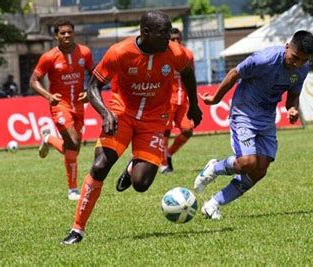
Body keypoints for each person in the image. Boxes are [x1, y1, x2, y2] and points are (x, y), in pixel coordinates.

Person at [61, 11, 203, 245]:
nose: (169, 38)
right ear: (145, 33)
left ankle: (131, 169)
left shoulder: (174, 52)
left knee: (141, 184)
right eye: (164, 33)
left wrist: (194, 106)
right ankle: (77, 229)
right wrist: (105, 113)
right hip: (121, 113)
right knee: (100, 166)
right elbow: (94, 86)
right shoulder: (119, 52)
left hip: (156, 119)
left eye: (170, 32)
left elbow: (188, 73)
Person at [194, 30, 313, 219]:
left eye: (302, 60)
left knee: (259, 170)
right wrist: (216, 98)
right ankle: (214, 168)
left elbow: (293, 96)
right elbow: (235, 73)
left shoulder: (302, 68)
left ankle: (214, 204)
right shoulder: (264, 60)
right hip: (244, 112)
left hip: (267, 117)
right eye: (294, 58)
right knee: (247, 162)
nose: (296, 64)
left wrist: (292, 109)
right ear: (287, 47)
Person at [30, 18, 94, 201]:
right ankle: (72, 190)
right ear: (56, 36)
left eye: (69, 32)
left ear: (74, 33)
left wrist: (89, 92)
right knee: (72, 142)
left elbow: (95, 74)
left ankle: (49, 139)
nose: (66, 35)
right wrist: (49, 96)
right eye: (62, 33)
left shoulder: (85, 52)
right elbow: (33, 81)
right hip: (60, 106)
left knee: (74, 148)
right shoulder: (49, 57)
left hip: (79, 105)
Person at [159, 28, 196, 173]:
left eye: (178, 39)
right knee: (165, 132)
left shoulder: (188, 54)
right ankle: (163, 165)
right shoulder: (163, 54)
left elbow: (191, 77)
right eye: (172, 39)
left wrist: (193, 100)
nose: (175, 42)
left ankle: (168, 154)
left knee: (188, 130)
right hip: (167, 101)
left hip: (183, 101)